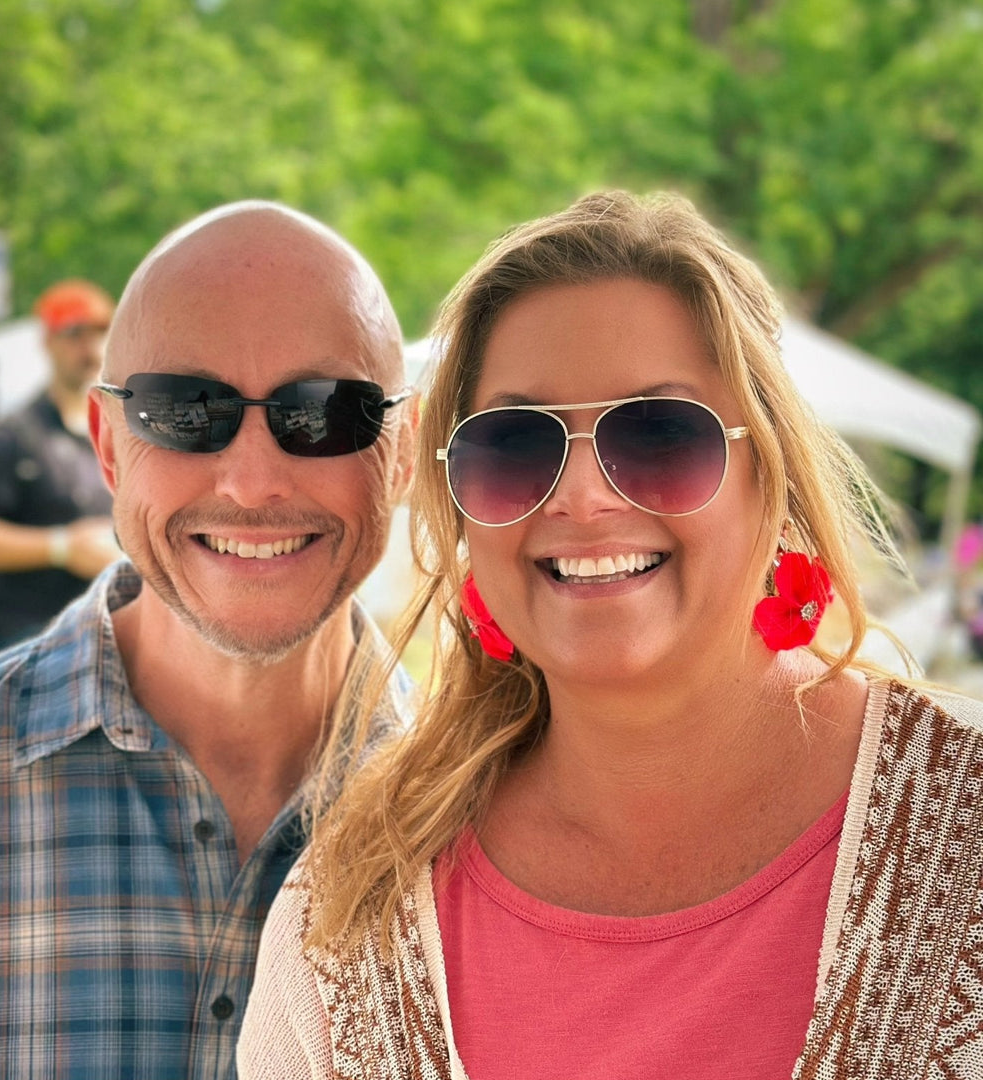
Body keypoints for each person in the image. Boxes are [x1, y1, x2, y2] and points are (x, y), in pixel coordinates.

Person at [237, 190, 983, 1079]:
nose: (583, 497)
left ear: (771, 476)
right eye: (514, 445)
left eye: (661, 433)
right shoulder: (346, 916)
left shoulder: (963, 833)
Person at [0, 202, 416, 1079]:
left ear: (400, 455)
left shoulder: (508, 830)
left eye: (325, 414)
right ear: (108, 447)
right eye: (185, 410)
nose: (253, 483)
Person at [0, 278, 121, 657]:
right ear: (48, 342)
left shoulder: (121, 433)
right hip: (23, 639)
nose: (91, 349)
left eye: (102, 333)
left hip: (105, 634)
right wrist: (61, 547)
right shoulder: (14, 435)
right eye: (75, 335)